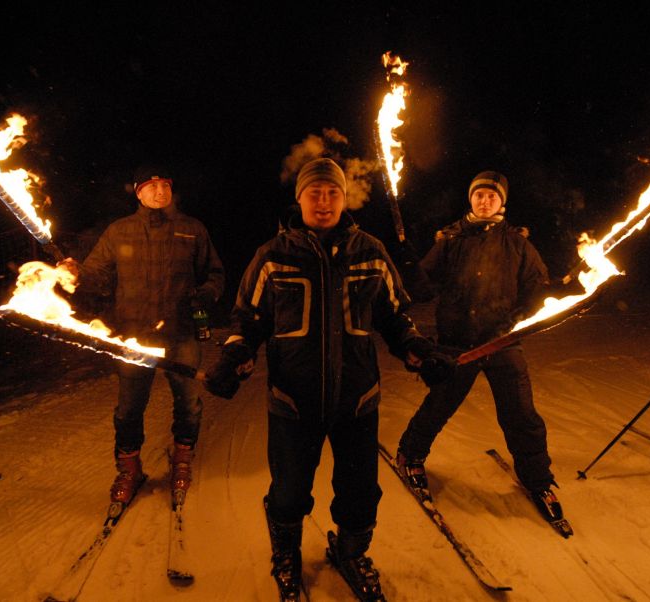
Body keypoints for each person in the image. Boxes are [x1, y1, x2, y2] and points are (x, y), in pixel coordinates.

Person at [203, 158, 452, 601]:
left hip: (358, 399)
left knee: (360, 492)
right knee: (289, 490)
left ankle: (353, 553)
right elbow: (247, 318)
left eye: (332, 193)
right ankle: (286, 554)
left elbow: (395, 317)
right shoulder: (273, 256)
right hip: (291, 401)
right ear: (298, 198)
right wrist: (235, 354)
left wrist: (417, 350)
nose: (323, 201)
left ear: (344, 198)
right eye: (314, 192)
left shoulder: (370, 252)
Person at [394, 170, 563, 523]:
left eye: (491, 196)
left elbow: (537, 288)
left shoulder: (517, 243)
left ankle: (538, 480)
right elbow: (423, 289)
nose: (484, 201)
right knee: (439, 405)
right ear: (470, 199)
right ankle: (410, 455)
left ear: (502, 202)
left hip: (501, 341)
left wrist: (528, 310)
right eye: (479, 195)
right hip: (458, 343)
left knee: (522, 414)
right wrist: (410, 266)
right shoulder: (452, 240)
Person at [60, 165, 224, 509]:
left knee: (189, 404)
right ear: (138, 193)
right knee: (129, 408)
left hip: (181, 333)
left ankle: (182, 460)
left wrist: (206, 293)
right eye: (151, 186)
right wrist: (74, 274)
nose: (160, 191)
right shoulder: (120, 232)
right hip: (133, 334)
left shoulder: (191, 229)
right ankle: (129, 468)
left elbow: (214, 273)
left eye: (165, 185)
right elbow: (95, 275)